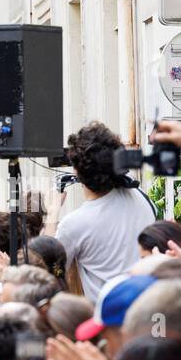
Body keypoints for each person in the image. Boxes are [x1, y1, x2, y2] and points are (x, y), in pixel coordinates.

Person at [49, 121, 156, 300]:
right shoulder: (142, 198)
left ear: (77, 171)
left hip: (109, 320)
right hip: (147, 311)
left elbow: (47, 272)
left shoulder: (75, 224)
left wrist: (53, 210)